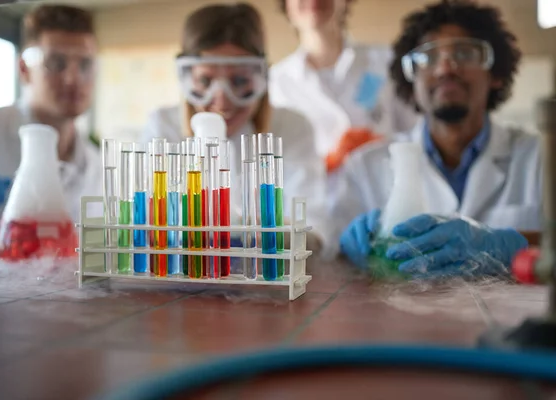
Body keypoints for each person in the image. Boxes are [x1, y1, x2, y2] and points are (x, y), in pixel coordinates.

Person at [333, 0, 539, 277]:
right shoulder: (365, 166)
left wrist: (508, 246)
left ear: (496, 74)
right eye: (428, 58)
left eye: (465, 53)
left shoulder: (540, 159)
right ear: (411, 80)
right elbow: (330, 254)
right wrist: (345, 247)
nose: (445, 69)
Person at [142, 3, 328, 251]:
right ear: (187, 78)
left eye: (239, 81)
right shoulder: (163, 127)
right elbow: (145, 221)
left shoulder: (291, 128)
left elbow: (314, 230)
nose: (221, 100)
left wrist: (274, 236)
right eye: (206, 80)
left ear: (261, 77)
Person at [0, 5, 102, 260]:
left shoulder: (97, 165)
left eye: (85, 64)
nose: (72, 78)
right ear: (24, 69)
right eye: (56, 63)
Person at [269, 0, 418, 173]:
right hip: (316, 198)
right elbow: (284, 171)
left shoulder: (385, 61)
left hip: (385, 189)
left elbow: (416, 134)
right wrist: (332, 160)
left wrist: (382, 146)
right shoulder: (276, 83)